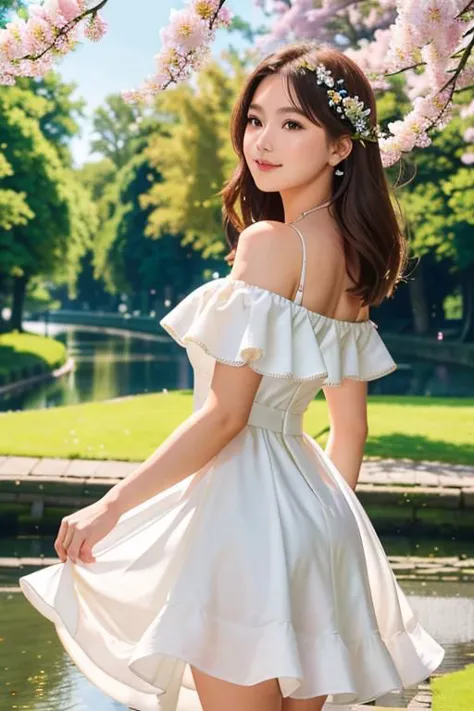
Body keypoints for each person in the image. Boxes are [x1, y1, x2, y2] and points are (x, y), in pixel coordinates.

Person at [19, 40, 444, 711]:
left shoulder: (269, 244)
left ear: (340, 148)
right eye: (255, 119)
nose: (263, 140)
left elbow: (225, 415)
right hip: (317, 512)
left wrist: (111, 505)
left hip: (241, 512)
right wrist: (324, 536)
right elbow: (351, 430)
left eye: (292, 124)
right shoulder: (356, 266)